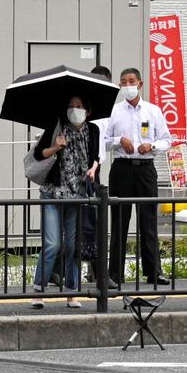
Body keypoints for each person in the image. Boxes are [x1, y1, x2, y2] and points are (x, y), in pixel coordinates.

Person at [29, 96, 100, 309]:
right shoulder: (57, 124)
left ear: (88, 111)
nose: (74, 110)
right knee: (52, 244)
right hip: (53, 193)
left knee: (72, 246)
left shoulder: (93, 130)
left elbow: (95, 156)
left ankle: (71, 293)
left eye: (79, 107)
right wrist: (56, 148)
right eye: (70, 106)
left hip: (77, 196)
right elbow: (40, 153)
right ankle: (38, 291)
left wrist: (94, 168)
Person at [105, 68, 172, 286]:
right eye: (123, 82)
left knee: (148, 221)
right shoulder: (113, 111)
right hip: (121, 168)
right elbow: (102, 141)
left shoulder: (153, 111)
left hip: (145, 168)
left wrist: (150, 145)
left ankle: (154, 272)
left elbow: (166, 140)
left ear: (140, 84)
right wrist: (118, 140)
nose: (127, 86)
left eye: (131, 81)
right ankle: (115, 274)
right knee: (119, 222)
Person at [81, 65, 113, 286]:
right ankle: (58, 270)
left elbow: (107, 141)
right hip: (78, 173)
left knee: (96, 224)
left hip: (96, 172)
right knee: (77, 224)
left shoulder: (111, 110)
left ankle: (99, 273)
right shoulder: (84, 107)